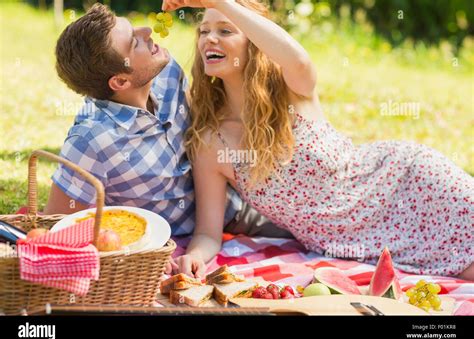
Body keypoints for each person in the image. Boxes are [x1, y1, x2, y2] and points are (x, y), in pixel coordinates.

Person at [164, 0, 474, 279]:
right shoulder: (211, 142)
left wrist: (221, 2)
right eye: (203, 31)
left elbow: (297, 58)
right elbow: (207, 233)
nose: (209, 39)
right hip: (354, 245)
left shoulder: (292, 90)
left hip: (408, 183)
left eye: (225, 30)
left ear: (254, 42)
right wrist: (193, 256)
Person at [45, 3, 292, 274]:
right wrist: (136, 254)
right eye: (133, 42)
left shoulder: (167, 73)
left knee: (313, 232)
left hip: (233, 210)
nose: (147, 31)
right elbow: (60, 229)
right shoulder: (90, 141)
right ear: (120, 82)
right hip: (175, 242)